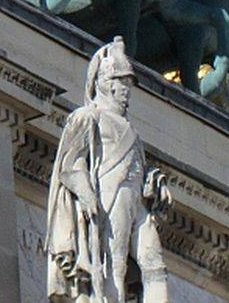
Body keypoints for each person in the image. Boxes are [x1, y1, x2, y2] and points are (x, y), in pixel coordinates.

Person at [45, 37, 171, 302]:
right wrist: (86, 192)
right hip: (109, 196)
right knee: (115, 265)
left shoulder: (132, 131)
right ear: (105, 84)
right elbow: (69, 163)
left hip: (135, 201)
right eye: (122, 83)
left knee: (154, 262)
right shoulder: (87, 116)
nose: (127, 89)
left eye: (128, 84)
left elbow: (137, 166)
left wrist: (152, 183)